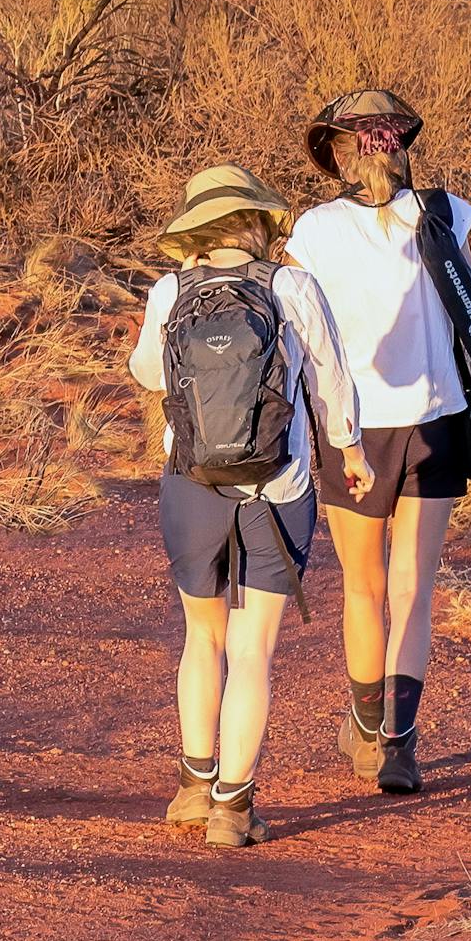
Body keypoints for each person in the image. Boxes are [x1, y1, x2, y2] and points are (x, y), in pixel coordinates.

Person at [126, 163, 358, 850]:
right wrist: (350, 449)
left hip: (190, 482)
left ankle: (193, 785)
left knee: (203, 638)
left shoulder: (170, 289)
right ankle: (233, 807)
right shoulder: (290, 286)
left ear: (195, 228)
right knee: (253, 648)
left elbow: (145, 371)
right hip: (275, 487)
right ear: (256, 221)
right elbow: (330, 379)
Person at [286, 88, 471, 797]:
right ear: (400, 147)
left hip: (355, 428)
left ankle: (367, 731)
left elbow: (301, 326)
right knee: (414, 591)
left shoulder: (314, 230)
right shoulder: (444, 211)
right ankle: (400, 746)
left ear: (341, 154)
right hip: (438, 418)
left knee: (364, 590)